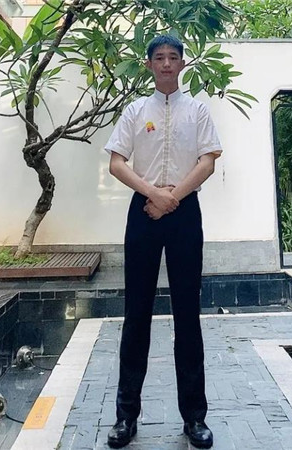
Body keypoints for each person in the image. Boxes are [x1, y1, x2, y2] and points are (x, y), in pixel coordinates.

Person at [104, 34, 222, 449]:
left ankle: (195, 418)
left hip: (185, 213)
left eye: (173, 57)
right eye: (160, 57)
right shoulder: (136, 111)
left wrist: (172, 198)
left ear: (183, 64)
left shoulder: (198, 110)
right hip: (144, 212)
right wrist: (154, 194)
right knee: (136, 313)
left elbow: (208, 162)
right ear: (149, 64)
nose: (167, 63)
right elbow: (117, 163)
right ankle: (125, 417)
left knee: (187, 314)